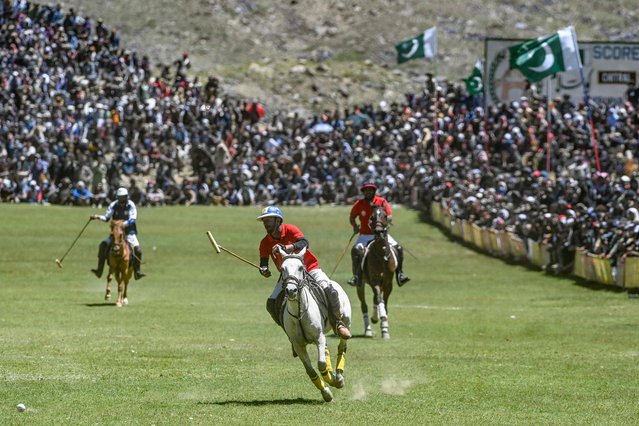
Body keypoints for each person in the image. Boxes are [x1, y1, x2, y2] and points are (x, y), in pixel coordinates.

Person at [257, 206, 351, 339]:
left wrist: (290, 247)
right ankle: (291, 334)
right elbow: (263, 263)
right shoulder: (265, 242)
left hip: (310, 268)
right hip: (289, 275)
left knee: (329, 290)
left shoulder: (290, 229)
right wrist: (264, 270)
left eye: (268, 220)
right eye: (264, 221)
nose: (266, 223)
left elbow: (305, 242)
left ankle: (338, 323)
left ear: (278, 220)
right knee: (271, 304)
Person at [348, 182, 410, 287]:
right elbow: (352, 216)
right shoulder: (359, 204)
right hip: (365, 235)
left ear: (374, 191)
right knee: (356, 250)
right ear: (363, 192)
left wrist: (384, 223)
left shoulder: (382, 202)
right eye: (366, 190)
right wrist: (355, 226)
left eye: (370, 190)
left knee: (398, 248)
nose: (368, 192)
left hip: (381, 234)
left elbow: (389, 216)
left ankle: (400, 274)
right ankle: (357, 276)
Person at [89, 187, 146, 280]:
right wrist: (97, 217)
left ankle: (137, 272)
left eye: (123, 197)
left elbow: (132, 219)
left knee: (138, 250)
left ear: (126, 197)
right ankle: (99, 270)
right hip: (116, 233)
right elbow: (107, 218)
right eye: (120, 197)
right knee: (103, 245)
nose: (121, 199)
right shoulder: (113, 205)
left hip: (129, 232)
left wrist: (123, 224)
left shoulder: (131, 205)